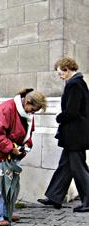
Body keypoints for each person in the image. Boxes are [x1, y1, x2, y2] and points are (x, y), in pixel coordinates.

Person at [37, 57, 89, 213]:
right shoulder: (76, 83)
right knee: (65, 167)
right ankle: (55, 196)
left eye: (60, 73)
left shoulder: (75, 84)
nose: (60, 77)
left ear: (67, 70)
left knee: (79, 170)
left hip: (75, 136)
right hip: (75, 135)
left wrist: (59, 116)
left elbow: (72, 112)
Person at [0, 88, 47, 226]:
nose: (33, 113)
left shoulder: (27, 113)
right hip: (2, 153)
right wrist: (12, 148)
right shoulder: (6, 108)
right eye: (33, 109)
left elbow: (29, 133)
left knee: (12, 184)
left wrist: (26, 145)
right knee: (1, 184)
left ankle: (7, 213)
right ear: (27, 102)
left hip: (14, 152)